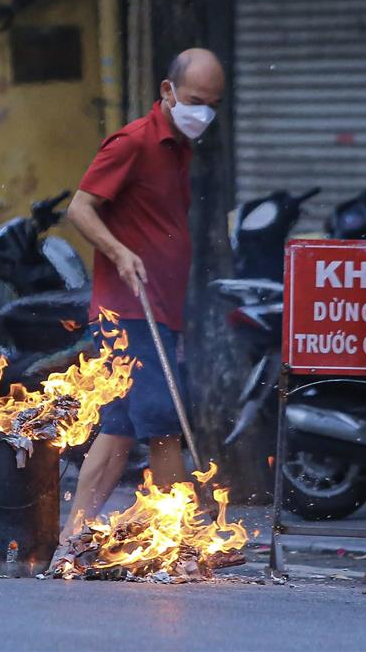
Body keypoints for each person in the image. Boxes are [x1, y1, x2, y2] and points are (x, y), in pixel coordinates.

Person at [57, 48, 225, 547]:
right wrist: (118, 251)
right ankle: (181, 538)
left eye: (213, 104)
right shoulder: (133, 142)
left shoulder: (179, 148)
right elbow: (80, 208)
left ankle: (73, 537)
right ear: (167, 92)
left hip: (159, 311)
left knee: (121, 426)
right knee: (163, 421)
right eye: (196, 100)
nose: (204, 113)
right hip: (126, 311)